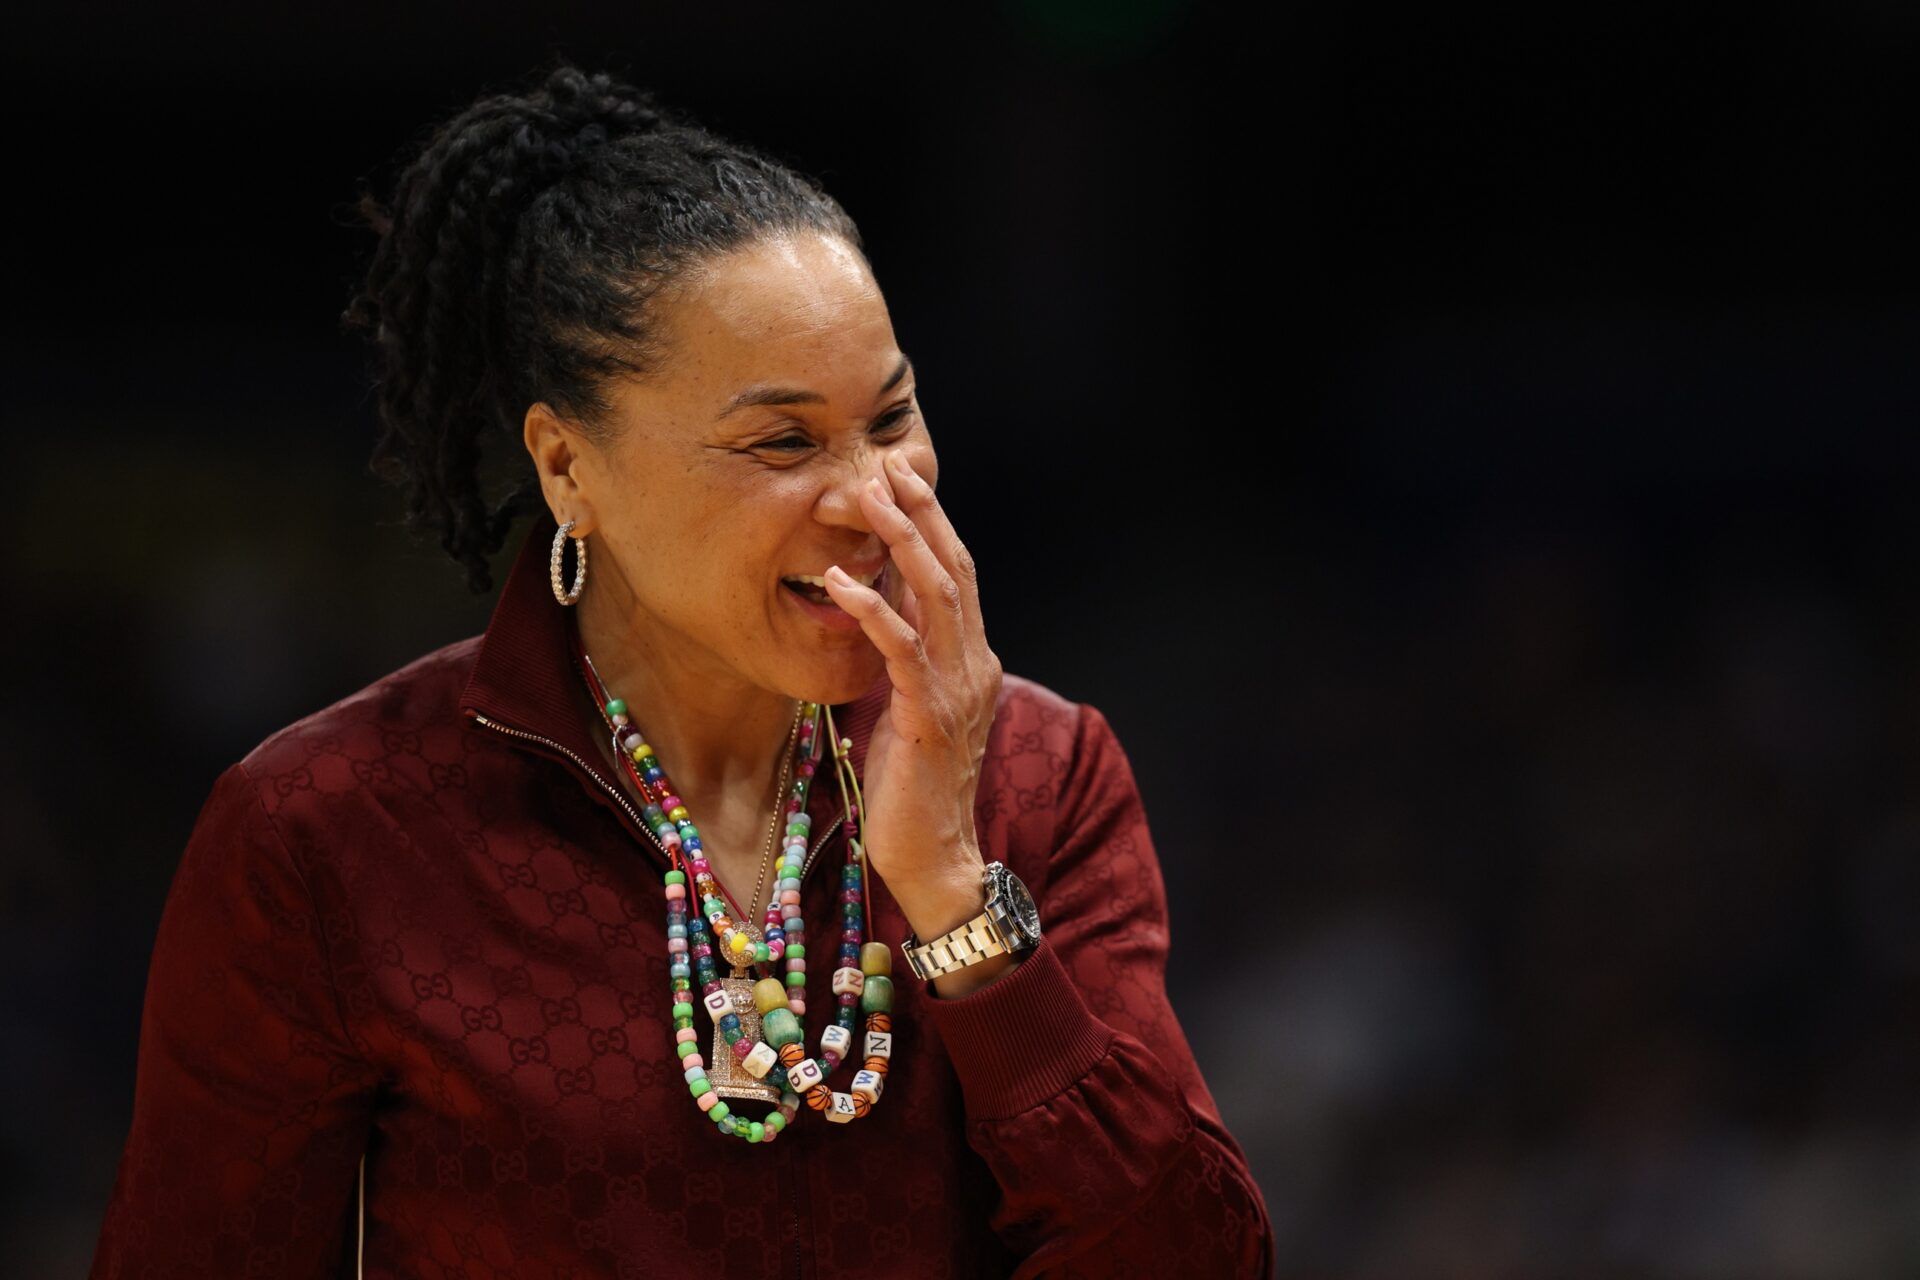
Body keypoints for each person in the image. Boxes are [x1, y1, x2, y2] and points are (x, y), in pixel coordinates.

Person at [89, 59, 1276, 1279]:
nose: (873, 497)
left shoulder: (1041, 774)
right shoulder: (327, 832)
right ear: (568, 468)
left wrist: (956, 900)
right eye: (783, 440)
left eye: (891, 416)